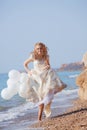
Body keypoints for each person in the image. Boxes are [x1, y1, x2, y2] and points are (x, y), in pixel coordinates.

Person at [23, 42, 67, 121]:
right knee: (40, 98)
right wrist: (28, 71)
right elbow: (25, 64)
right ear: (35, 49)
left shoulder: (46, 56)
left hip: (45, 77)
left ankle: (39, 119)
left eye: (40, 48)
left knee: (46, 97)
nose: (39, 50)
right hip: (36, 77)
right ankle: (39, 119)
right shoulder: (33, 56)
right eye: (37, 48)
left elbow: (48, 65)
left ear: (43, 48)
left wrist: (47, 66)